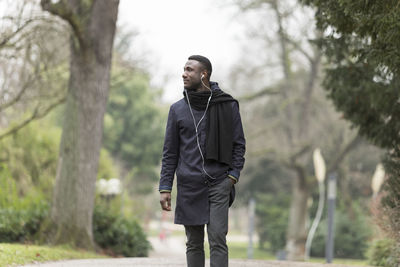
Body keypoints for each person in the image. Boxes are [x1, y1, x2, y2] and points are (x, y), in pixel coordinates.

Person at [159, 55, 246, 267]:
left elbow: (239, 144)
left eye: (189, 70)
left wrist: (232, 177)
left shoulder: (226, 105)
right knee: (194, 243)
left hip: (219, 182)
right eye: (184, 69)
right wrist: (165, 187)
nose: (184, 73)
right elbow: (170, 152)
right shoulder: (177, 110)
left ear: (203, 74)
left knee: (217, 239)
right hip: (189, 185)